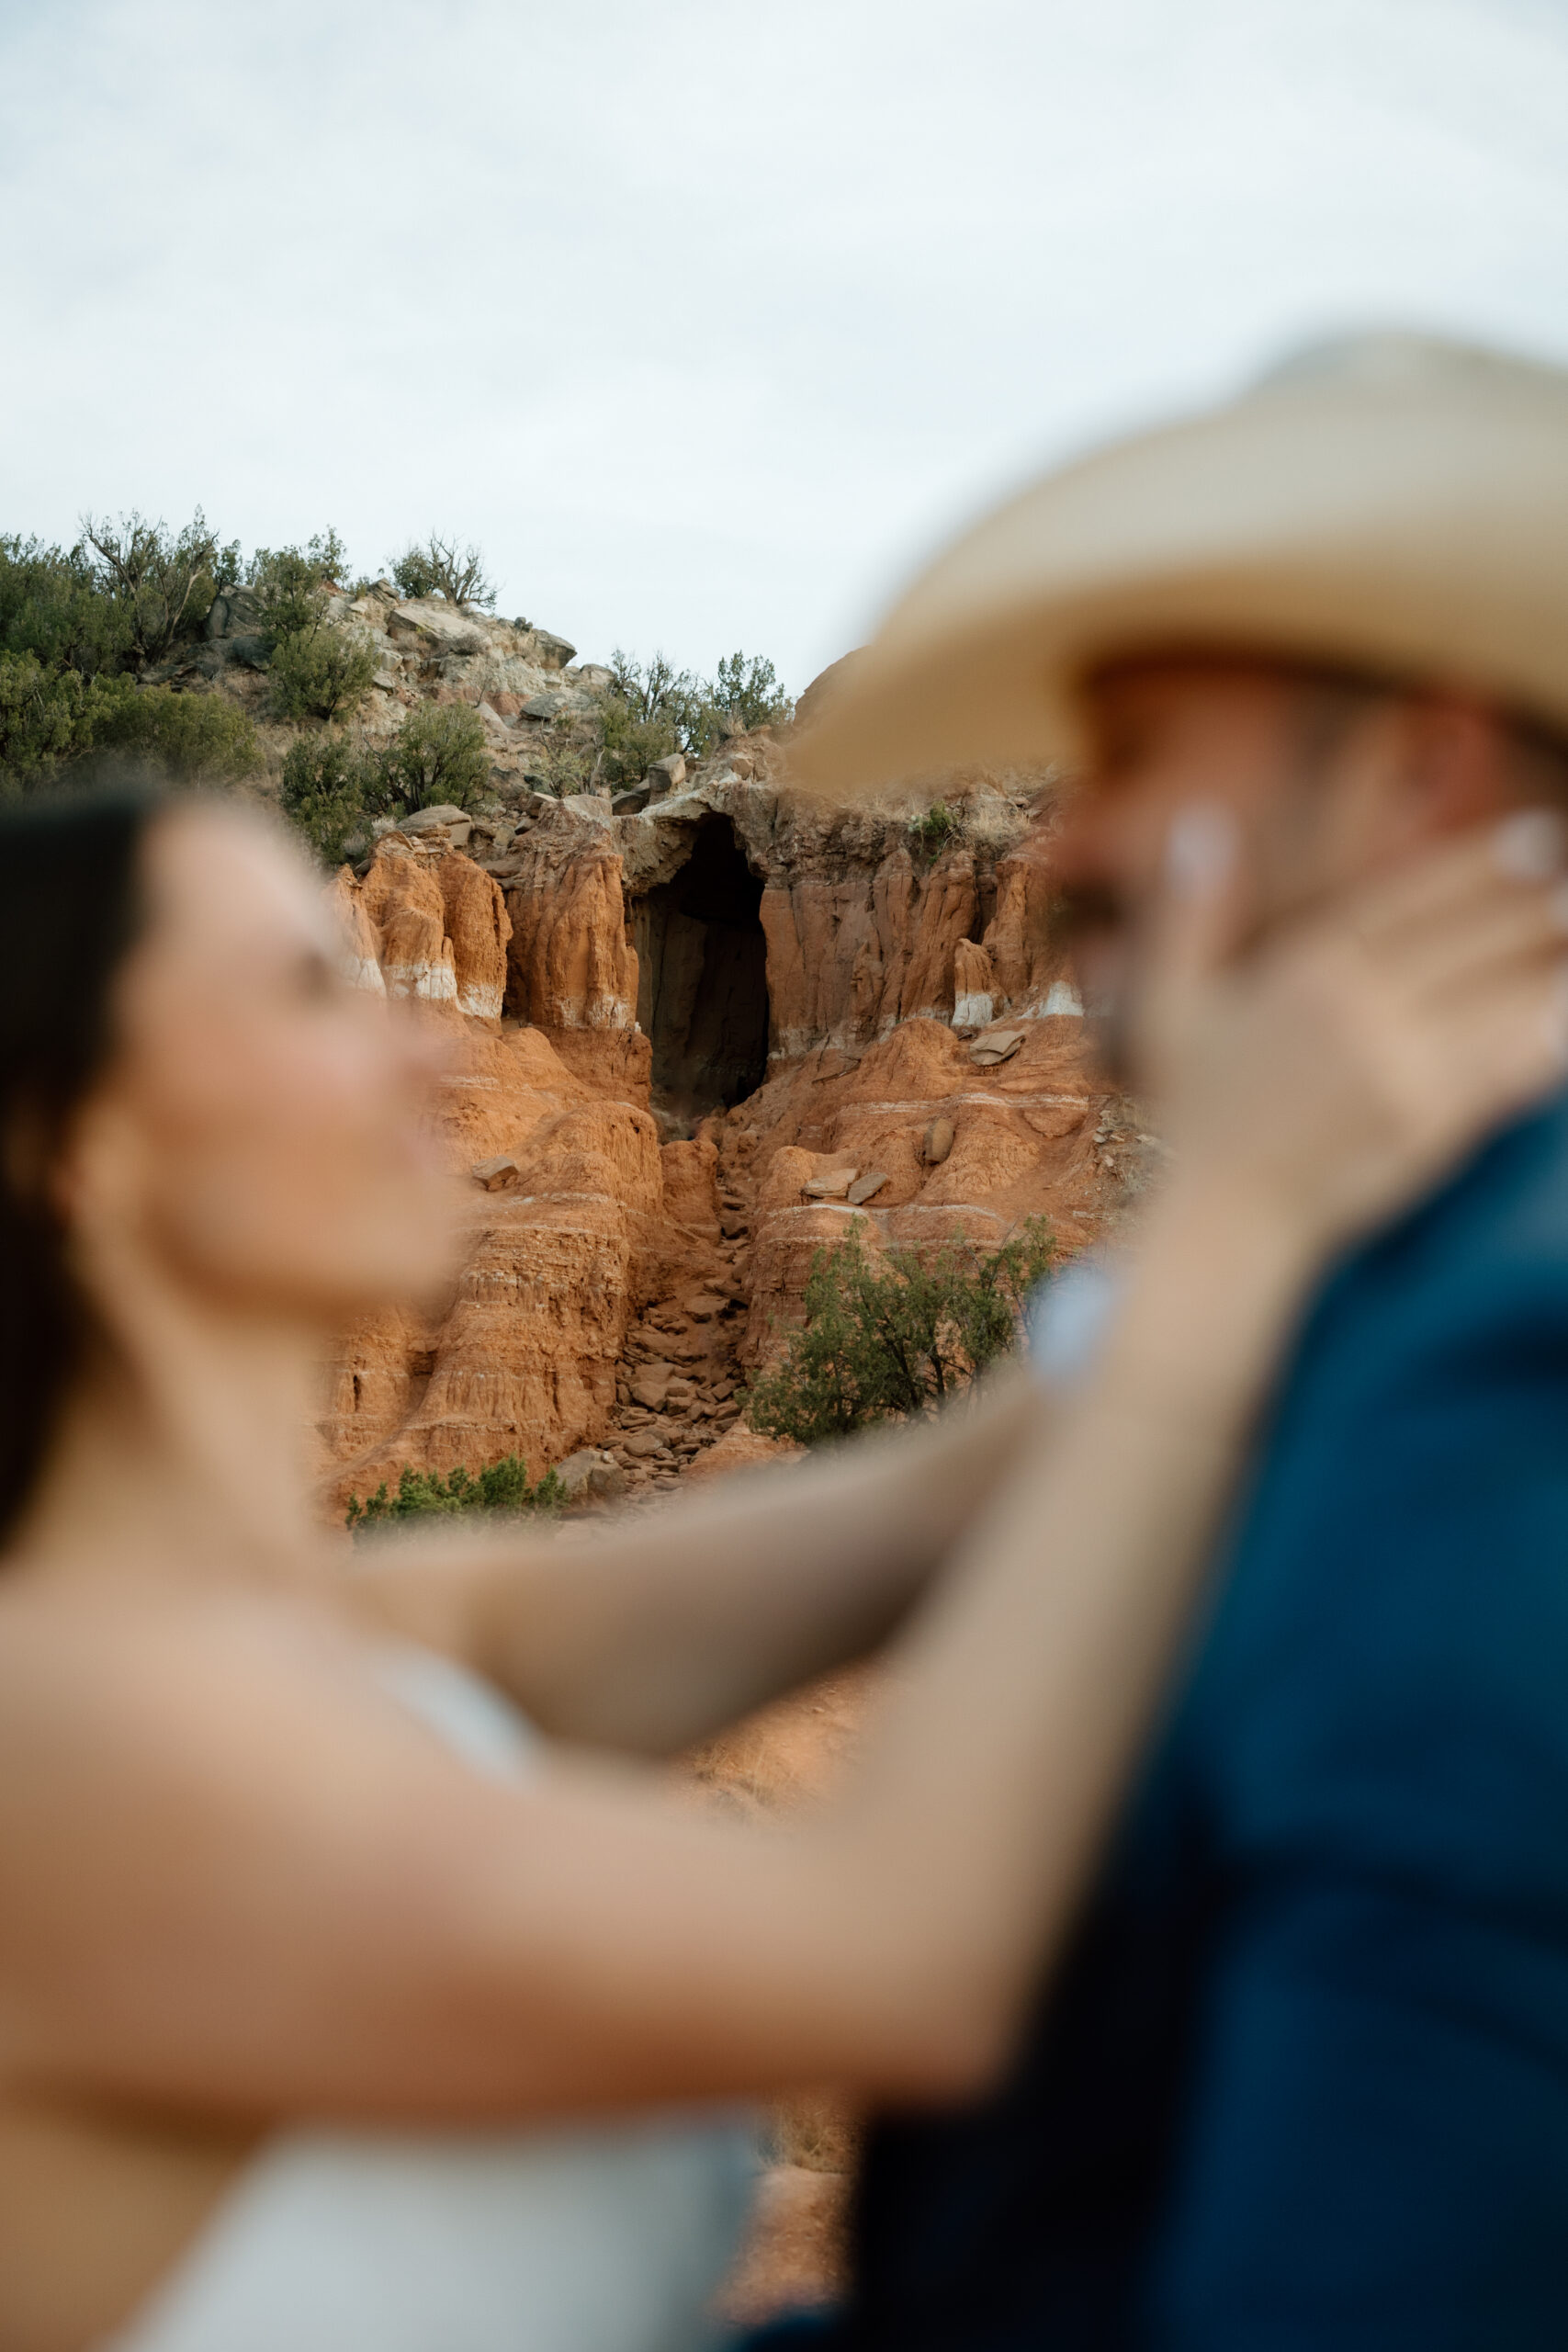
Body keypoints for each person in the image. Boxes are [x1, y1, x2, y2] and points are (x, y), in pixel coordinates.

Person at [0, 596, 1557, 2350]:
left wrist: (1317, 1153)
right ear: (78, 1144)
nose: (429, 1039)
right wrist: (1237, 1216)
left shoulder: (362, 1632)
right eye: (311, 985)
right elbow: (907, 1953)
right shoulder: (57, 1746)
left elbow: (935, 1497)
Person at [780, 330, 1568, 2348]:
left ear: (1416, 773)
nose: (1055, 847)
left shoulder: (1498, 1383)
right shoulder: (1347, 1295)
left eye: (1126, 757)